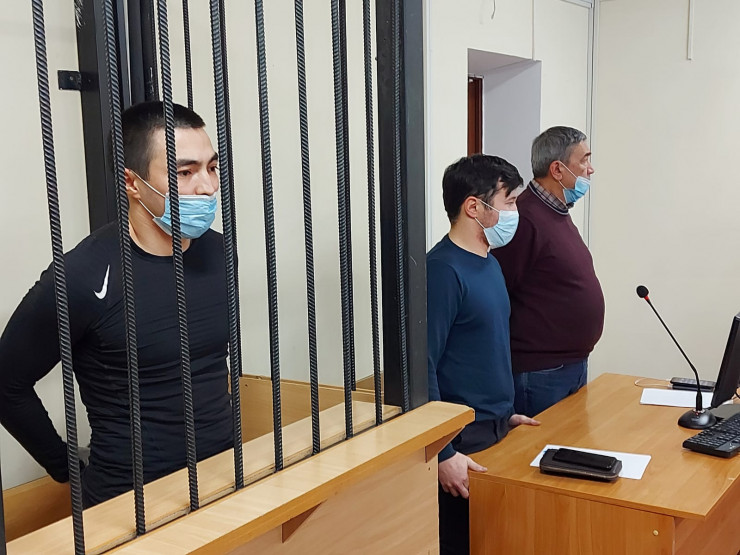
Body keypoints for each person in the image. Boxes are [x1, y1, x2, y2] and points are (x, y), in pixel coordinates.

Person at [0, 101, 233, 508]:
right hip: (130, 502)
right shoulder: (83, 275)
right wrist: (65, 467)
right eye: (185, 172)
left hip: (226, 480)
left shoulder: (218, 251)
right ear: (132, 183)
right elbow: (6, 383)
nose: (208, 187)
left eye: (212, 168)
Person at [427, 154, 540, 555]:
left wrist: (503, 413)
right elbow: (423, 367)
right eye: (509, 202)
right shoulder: (442, 271)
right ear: (474, 206)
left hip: (495, 429)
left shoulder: (489, 262)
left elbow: (483, 348)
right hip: (460, 443)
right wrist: (442, 453)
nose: (515, 212)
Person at [492, 126, 605, 418]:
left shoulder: (556, 212)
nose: (591, 169)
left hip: (569, 365)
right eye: (584, 160)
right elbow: (499, 294)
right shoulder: (526, 219)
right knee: (541, 447)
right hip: (539, 373)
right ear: (557, 169)